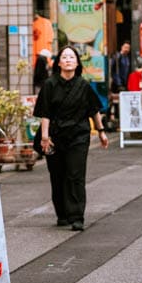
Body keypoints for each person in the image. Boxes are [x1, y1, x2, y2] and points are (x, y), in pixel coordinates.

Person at [33, 45, 109, 232]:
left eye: (72, 57)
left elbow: (94, 110)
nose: (68, 60)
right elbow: (45, 113)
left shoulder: (83, 85)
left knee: (75, 175)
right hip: (55, 136)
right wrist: (44, 137)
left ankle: (77, 216)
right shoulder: (50, 85)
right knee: (57, 175)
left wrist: (101, 131)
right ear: (58, 62)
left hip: (78, 136)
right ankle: (63, 214)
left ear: (77, 63)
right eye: (64, 57)